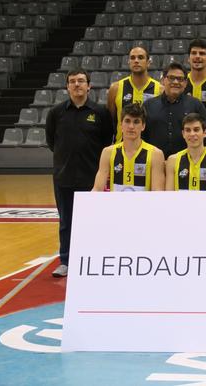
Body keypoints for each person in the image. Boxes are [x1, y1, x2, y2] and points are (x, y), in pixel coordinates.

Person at [45, 69, 114, 277]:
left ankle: (92, 259)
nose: (77, 84)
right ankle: (66, 261)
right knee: (66, 222)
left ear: (89, 86)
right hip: (64, 177)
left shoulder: (101, 112)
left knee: (93, 222)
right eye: (73, 81)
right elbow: (52, 142)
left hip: (91, 178)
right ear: (67, 86)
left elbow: (106, 142)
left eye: (81, 81)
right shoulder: (56, 113)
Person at [142, 62, 206, 158]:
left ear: (185, 83)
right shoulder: (148, 105)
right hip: (155, 161)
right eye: (171, 78)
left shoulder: (195, 105)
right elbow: (142, 136)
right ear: (163, 80)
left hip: (188, 162)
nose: (176, 82)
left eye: (180, 79)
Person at [92, 103, 165, 192]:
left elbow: (157, 192)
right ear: (121, 125)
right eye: (127, 121)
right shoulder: (108, 152)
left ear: (143, 126)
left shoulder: (155, 154)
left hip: (143, 202)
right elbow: (97, 189)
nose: (131, 126)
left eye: (136, 122)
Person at [107, 46, 162, 143]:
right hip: (121, 147)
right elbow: (110, 121)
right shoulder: (115, 88)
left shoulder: (160, 90)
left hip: (150, 148)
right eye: (132, 58)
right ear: (128, 62)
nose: (136, 61)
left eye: (140, 57)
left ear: (148, 62)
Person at [165, 113, 206, 191]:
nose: (192, 134)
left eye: (196, 130)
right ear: (183, 134)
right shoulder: (173, 160)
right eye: (188, 130)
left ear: (205, 132)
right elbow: (169, 196)